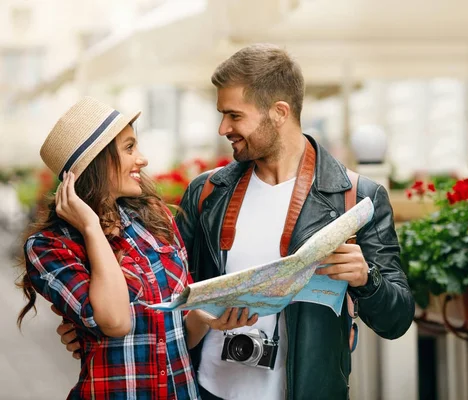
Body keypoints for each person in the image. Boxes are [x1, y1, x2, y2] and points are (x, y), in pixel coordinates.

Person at [59, 44, 415, 399]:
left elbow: (396, 320)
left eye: (234, 115)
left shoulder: (355, 196)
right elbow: (164, 296)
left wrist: (367, 279)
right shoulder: (207, 193)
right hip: (205, 390)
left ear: (279, 112)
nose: (222, 128)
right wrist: (88, 328)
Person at [17, 97, 257, 399]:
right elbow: (116, 322)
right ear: (97, 162)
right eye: (129, 148)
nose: (142, 159)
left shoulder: (156, 220)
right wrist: (92, 228)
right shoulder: (50, 247)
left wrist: (210, 317)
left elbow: (178, 332)